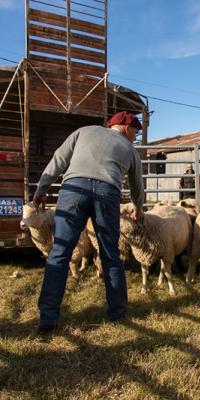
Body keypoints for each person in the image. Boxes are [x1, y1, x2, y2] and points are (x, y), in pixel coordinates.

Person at [33, 111, 144, 335]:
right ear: (124, 126)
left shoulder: (83, 131)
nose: (135, 135)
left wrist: (41, 189)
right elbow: (136, 186)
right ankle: (117, 313)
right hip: (107, 193)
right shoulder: (130, 150)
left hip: (73, 190)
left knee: (60, 252)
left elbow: (58, 159)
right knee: (110, 253)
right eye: (134, 130)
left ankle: (48, 317)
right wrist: (138, 209)